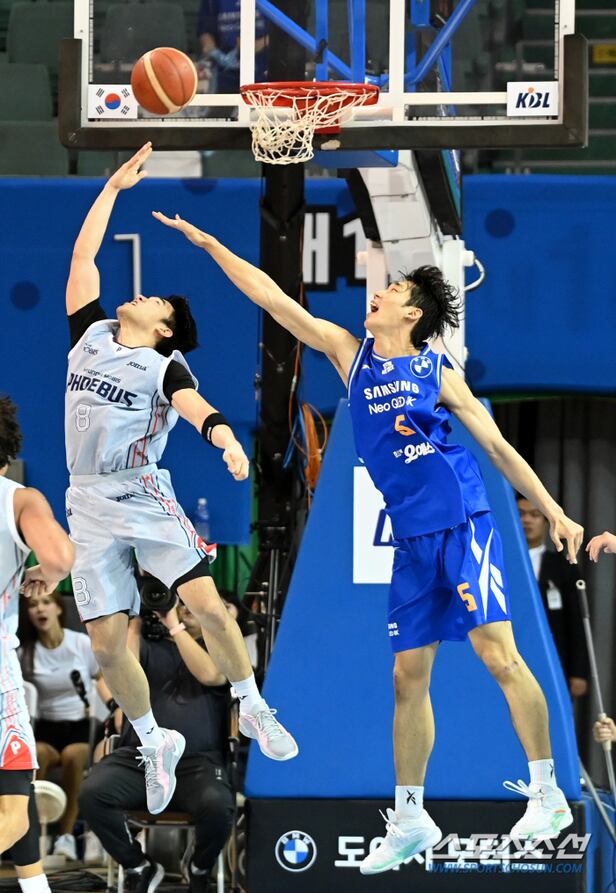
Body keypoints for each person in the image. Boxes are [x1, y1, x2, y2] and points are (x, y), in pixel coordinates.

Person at [153, 211, 585, 874]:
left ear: (412, 314)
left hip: (462, 522)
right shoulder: (348, 354)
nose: (377, 292)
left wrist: (554, 510)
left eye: (392, 290)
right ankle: (411, 817)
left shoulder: (437, 371)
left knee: (499, 657)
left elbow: (498, 446)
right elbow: (273, 298)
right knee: (407, 677)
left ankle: (549, 793)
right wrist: (212, 242)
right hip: (410, 541)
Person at [64, 144, 296, 818]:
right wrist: (112, 189)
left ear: (164, 328)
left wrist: (228, 443)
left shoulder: (166, 368)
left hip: (141, 492)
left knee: (208, 605)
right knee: (108, 646)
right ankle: (150, 739)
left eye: (154, 300)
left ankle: (252, 704)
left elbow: (198, 409)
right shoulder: (91, 336)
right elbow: (83, 259)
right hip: (86, 501)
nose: (138, 295)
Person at [79, 602, 234, 893]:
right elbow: (120, 678)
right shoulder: (147, 646)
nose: (185, 606)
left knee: (218, 806)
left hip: (195, 763)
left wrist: (173, 624)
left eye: (191, 601)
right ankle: (139, 866)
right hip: (139, 759)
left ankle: (199, 866)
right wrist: (134, 622)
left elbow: (212, 675)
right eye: (180, 601)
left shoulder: (219, 646)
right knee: (93, 793)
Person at [0, 394, 74, 891]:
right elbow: (61, 557)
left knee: (18, 788)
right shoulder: (18, 498)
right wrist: (46, 576)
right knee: (14, 808)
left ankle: (35, 887)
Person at [18, 590, 112, 860]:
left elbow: (101, 678)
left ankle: (66, 836)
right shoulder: (26, 652)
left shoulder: (80, 643)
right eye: (33, 605)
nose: (40, 609)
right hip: (45, 726)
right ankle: (33, 834)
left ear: (59, 609)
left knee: (73, 756)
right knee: (36, 756)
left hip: (80, 726)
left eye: (45, 602)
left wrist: (112, 707)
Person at [517, 494, 588, 699]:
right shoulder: (497, 561)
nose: (527, 520)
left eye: (534, 515)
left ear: (546, 521)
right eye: (521, 514)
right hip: (510, 654)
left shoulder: (564, 567)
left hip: (552, 657)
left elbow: (576, 622)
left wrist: (579, 671)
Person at [198, 0, 268, 94]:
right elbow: (204, 31)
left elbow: (280, 28)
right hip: (225, 74)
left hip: (262, 70)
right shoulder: (212, 2)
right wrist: (218, 55)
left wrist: (255, 46)